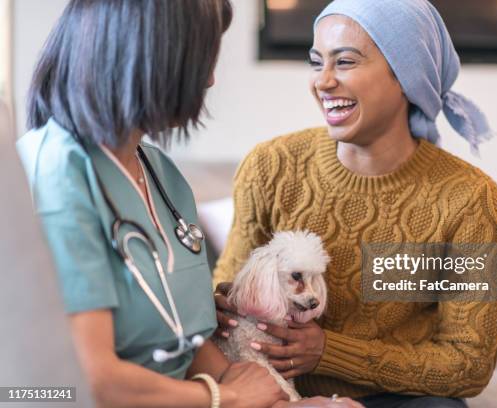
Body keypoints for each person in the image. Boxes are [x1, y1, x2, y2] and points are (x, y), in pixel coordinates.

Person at [213, 0, 497, 407]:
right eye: (317, 63)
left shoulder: (470, 199)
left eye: (346, 62)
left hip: (398, 398)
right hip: (278, 396)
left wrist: (329, 351)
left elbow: (469, 362)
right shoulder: (270, 166)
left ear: (407, 77)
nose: (324, 81)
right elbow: (229, 294)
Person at [17, 1, 301, 407]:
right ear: (151, 57)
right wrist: (226, 395)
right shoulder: (56, 173)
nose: (211, 80)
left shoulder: (162, 175)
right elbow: (91, 380)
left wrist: (276, 398)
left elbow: (181, 341)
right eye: (202, 59)